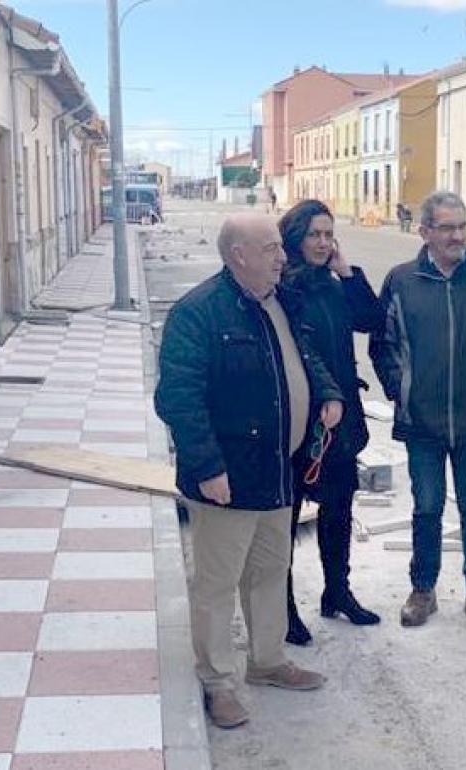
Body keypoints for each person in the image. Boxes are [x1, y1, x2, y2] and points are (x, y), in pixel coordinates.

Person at [154, 213, 342, 729]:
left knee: (267, 572)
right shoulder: (199, 313)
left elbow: (302, 359)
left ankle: (267, 661)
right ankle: (217, 681)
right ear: (239, 254)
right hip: (227, 479)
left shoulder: (278, 301)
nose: (284, 256)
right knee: (217, 584)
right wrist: (207, 465)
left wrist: (326, 393)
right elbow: (177, 398)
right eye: (272, 248)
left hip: (278, 472)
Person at [371, 191, 466, 631]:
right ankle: (423, 589)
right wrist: (402, 390)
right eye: (447, 227)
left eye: (462, 226)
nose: (457, 236)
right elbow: (383, 344)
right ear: (425, 232)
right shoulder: (402, 280)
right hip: (422, 422)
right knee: (426, 506)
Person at [278, 200, 383, 645]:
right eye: (314, 235)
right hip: (303, 418)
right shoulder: (283, 288)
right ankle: (282, 609)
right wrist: (324, 393)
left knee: (339, 509)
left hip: (340, 419)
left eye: (328, 234)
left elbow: (372, 320)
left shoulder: (332, 283)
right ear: (295, 238)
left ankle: (336, 591)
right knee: (285, 517)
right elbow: (301, 351)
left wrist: (348, 272)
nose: (322, 243)